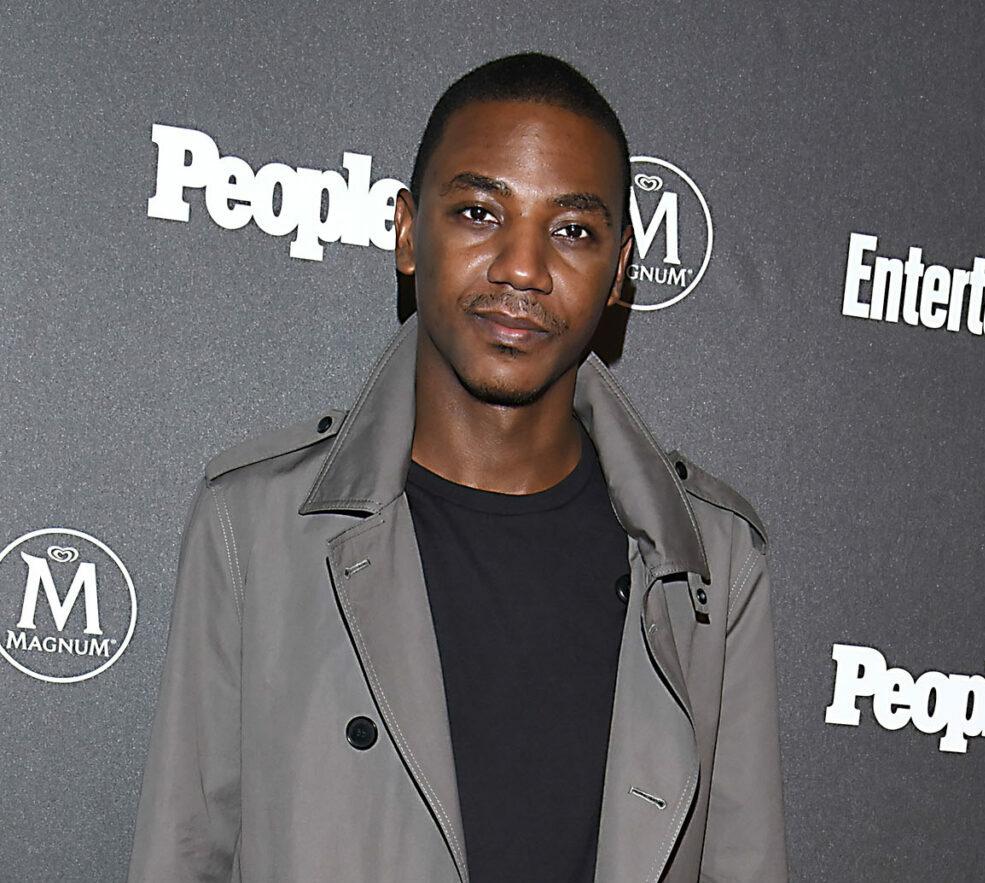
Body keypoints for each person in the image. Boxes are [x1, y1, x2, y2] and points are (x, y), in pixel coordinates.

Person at [128, 53, 788, 883]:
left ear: (621, 268)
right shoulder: (256, 525)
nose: (522, 267)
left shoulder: (709, 563)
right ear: (407, 233)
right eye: (480, 212)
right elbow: (180, 857)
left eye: (573, 229)